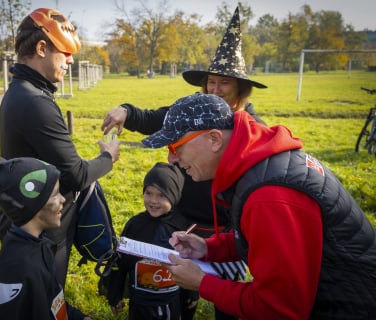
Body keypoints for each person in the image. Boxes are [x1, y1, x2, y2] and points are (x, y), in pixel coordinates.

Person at [140, 92, 376, 319]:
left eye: (175, 146)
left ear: (214, 139)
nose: (171, 158)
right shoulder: (261, 166)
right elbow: (266, 240)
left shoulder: (269, 197)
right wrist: (209, 248)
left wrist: (202, 283)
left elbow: (277, 309)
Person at [101, 7, 256, 319]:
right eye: (211, 82)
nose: (215, 89)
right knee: (183, 289)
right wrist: (127, 111)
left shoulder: (250, 134)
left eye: (224, 83)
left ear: (240, 88)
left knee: (228, 300)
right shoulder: (192, 113)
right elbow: (157, 118)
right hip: (187, 223)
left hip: (226, 231)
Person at [0, 7, 120, 290]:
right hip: (41, 226)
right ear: (42, 48)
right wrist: (108, 157)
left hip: (26, 217)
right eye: (64, 52)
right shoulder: (34, 101)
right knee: (45, 300)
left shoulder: (23, 89)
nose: (71, 60)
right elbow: (75, 174)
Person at [0, 156, 92, 320]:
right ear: (33, 206)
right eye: (55, 195)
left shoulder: (39, 243)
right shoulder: (21, 269)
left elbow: (51, 298)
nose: (62, 199)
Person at [105, 162, 198, 319]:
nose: (153, 200)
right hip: (140, 302)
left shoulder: (182, 226)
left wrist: (192, 292)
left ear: (174, 195)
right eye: (149, 193)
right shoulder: (135, 225)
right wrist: (115, 294)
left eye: (162, 195)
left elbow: (190, 263)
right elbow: (120, 262)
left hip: (170, 301)